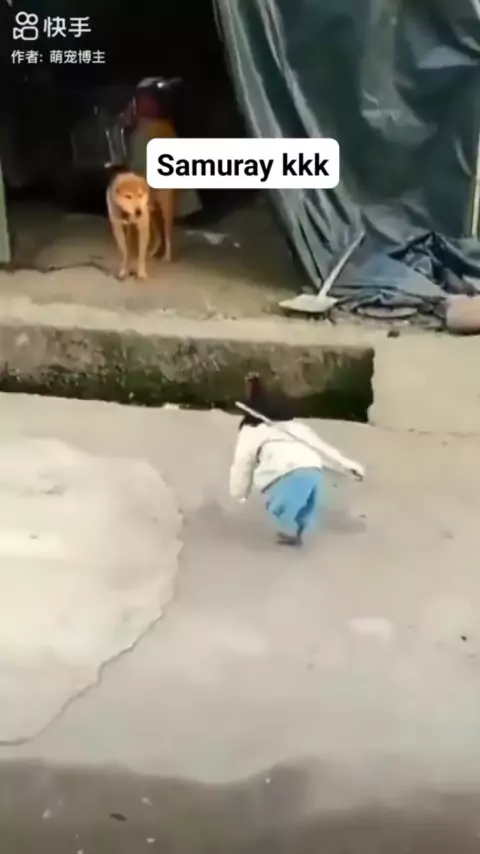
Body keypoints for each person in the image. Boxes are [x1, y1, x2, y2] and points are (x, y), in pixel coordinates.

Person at [229, 375, 365, 546]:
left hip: (284, 470)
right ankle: (299, 533)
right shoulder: (297, 427)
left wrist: (239, 493)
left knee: (280, 506)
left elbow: (243, 464)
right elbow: (322, 448)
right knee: (306, 505)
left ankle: (289, 528)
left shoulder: (250, 432)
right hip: (312, 468)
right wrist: (348, 466)